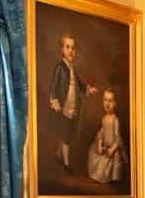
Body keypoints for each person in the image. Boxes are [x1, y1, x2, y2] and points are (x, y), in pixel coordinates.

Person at [47, 32, 97, 174]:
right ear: (62, 50)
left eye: (73, 48)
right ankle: (67, 164)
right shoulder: (60, 67)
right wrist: (54, 101)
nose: (71, 50)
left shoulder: (73, 69)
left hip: (72, 107)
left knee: (66, 132)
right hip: (63, 106)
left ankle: (58, 154)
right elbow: (54, 85)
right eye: (68, 47)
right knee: (66, 135)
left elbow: (80, 85)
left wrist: (89, 89)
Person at [86, 87, 127, 185]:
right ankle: (100, 176)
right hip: (106, 147)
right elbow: (101, 133)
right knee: (95, 154)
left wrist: (112, 148)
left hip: (114, 148)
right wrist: (100, 144)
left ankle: (113, 178)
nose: (107, 104)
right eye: (105, 100)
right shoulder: (104, 118)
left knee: (114, 160)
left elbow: (118, 137)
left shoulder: (115, 119)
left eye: (110, 101)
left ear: (115, 103)